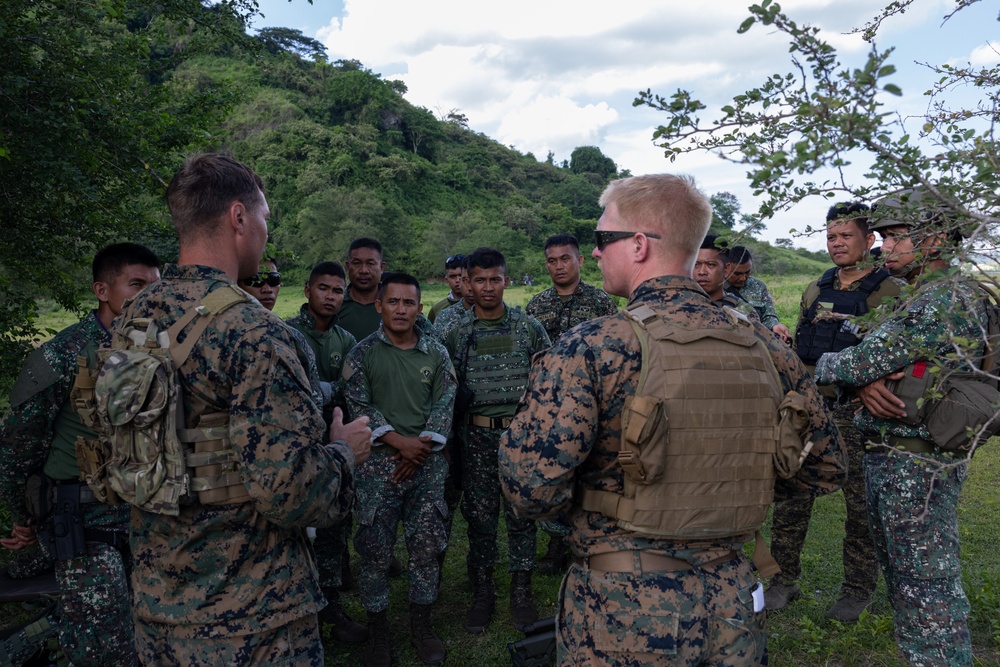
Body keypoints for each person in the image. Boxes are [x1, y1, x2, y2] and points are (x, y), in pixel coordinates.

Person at [498, 173, 846, 666]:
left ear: (639, 245)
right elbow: (824, 469)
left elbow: (530, 487)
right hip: (734, 601)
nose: (595, 253)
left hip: (622, 609)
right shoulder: (768, 349)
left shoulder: (592, 347)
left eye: (602, 239)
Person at [108, 153, 371, 665]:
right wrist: (342, 453)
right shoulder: (257, 333)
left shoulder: (133, 318)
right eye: (265, 219)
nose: (266, 232)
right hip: (251, 620)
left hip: (157, 608)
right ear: (238, 218)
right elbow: (294, 494)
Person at [814, 188, 981, 665]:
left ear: (935, 240)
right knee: (911, 584)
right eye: (883, 238)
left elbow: (856, 362)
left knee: (927, 591)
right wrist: (864, 381)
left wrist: (838, 366)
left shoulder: (943, 298)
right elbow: (867, 368)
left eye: (895, 237)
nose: (883, 246)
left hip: (916, 463)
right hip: (898, 455)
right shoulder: (923, 295)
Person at [0, 242, 161, 666]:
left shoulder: (162, 352)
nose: (147, 297)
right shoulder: (62, 355)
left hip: (150, 519)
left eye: (154, 287)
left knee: (153, 638)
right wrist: (24, 517)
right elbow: (19, 446)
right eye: (136, 285)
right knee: (103, 650)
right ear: (102, 290)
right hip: (86, 524)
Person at [766, 202, 903, 620]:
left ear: (869, 239)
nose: (837, 244)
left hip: (858, 411)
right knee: (791, 495)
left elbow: (897, 353)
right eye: (830, 237)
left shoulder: (890, 290)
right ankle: (782, 580)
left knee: (860, 507)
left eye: (845, 236)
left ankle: (856, 590)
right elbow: (803, 344)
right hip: (808, 407)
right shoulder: (815, 287)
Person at [343, 272, 456, 667]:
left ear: (419, 308)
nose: (401, 309)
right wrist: (399, 443)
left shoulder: (436, 353)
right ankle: (379, 633)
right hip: (378, 468)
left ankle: (422, 627)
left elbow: (445, 401)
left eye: (409, 303)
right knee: (375, 551)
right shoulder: (362, 354)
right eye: (393, 302)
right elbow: (359, 405)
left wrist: (419, 448)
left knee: (426, 548)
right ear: (379, 305)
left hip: (425, 468)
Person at [441, 247, 551, 634]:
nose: (488, 288)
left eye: (495, 279)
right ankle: (483, 590)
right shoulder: (456, 332)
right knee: (481, 518)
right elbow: (446, 390)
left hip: (521, 436)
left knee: (522, 515)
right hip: (476, 437)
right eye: (480, 280)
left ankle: (521, 590)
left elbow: (546, 382)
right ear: (468, 283)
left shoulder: (528, 326)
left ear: (506, 280)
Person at [525, 233, 618, 573]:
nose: (559, 266)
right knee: (555, 471)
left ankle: (586, 543)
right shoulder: (536, 306)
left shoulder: (601, 302)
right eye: (552, 260)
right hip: (551, 406)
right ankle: (555, 545)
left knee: (590, 473)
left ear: (579, 261)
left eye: (565, 259)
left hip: (591, 404)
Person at [725, 246, 792, 342]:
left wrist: (775, 325)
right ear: (726, 268)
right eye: (737, 274)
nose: (743, 278)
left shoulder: (758, 286)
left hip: (756, 341)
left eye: (747, 272)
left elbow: (768, 315)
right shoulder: (715, 287)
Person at [695, 234, 760, 322]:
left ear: (726, 269)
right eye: (696, 265)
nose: (702, 272)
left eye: (710, 265)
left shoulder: (743, 311)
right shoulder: (678, 303)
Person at [338, 237, 387, 342]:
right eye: (356, 263)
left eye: (370, 263)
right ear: (348, 266)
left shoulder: (396, 305)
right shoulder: (334, 304)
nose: (363, 270)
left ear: (382, 267)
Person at [427, 254, 465, 323]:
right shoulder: (437, 309)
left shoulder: (479, 305)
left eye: (461, 275)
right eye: (453, 276)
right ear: (446, 280)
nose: (457, 280)